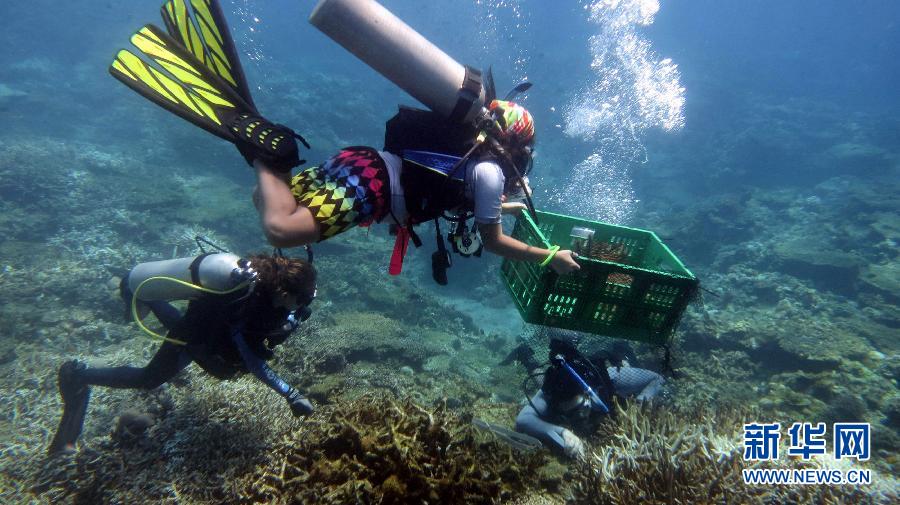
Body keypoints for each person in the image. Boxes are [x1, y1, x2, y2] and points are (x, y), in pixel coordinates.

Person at [108, 0, 580, 281]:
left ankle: (272, 163)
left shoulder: (481, 163)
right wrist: (548, 258)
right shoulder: (492, 170)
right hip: (372, 186)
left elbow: (477, 204)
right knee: (282, 230)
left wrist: (510, 209)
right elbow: (492, 242)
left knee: (270, 199)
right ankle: (270, 154)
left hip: (366, 165)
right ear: (516, 147)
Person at [48, 252, 317, 454]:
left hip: (204, 331)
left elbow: (279, 317)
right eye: (301, 300)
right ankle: (78, 375)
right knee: (149, 379)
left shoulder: (273, 291)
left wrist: (293, 316)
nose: (301, 307)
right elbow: (252, 360)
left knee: (178, 325)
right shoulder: (246, 303)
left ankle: (141, 294)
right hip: (195, 339)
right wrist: (291, 394)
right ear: (283, 291)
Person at [511, 335, 665, 460]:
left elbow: (657, 379)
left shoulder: (610, 378)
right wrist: (563, 432)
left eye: (579, 409)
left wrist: (636, 410)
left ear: (588, 394)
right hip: (559, 385)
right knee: (540, 381)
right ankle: (526, 355)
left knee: (627, 366)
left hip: (615, 380)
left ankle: (622, 347)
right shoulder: (551, 391)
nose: (578, 417)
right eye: (570, 413)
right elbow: (523, 420)